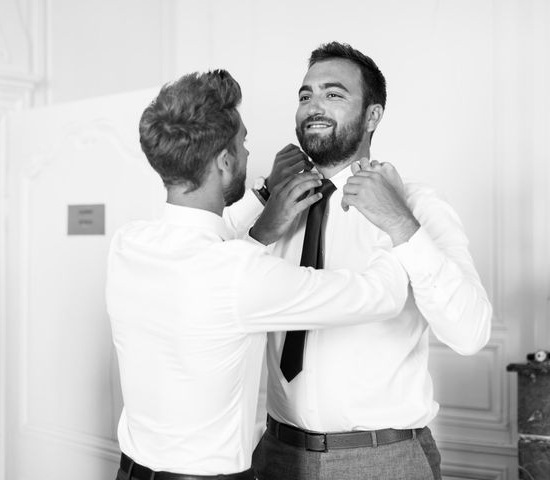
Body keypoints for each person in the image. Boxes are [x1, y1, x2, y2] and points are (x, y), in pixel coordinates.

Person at [106, 69, 411, 480]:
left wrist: (262, 211)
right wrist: (396, 218)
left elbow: (208, 278)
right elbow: (381, 296)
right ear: (225, 160)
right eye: (243, 143)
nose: (250, 154)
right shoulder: (238, 273)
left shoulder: (128, 245)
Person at [252, 42, 493, 480]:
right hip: (275, 454)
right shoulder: (274, 211)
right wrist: (263, 211)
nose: (313, 106)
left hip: (381, 460)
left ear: (373, 116)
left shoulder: (418, 206)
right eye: (305, 95)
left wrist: (401, 223)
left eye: (333, 94)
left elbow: (471, 333)